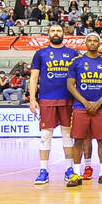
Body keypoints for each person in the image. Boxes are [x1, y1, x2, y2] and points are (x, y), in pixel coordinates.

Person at [29, 23, 80, 186]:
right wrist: (32, 98)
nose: (56, 33)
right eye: (53, 31)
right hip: (47, 99)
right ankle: (43, 170)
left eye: (59, 31)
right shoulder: (40, 54)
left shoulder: (73, 53)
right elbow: (34, 78)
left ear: (64, 33)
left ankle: (69, 169)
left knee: (67, 135)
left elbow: (79, 78)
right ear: (48, 34)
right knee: (45, 135)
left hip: (68, 99)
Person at [66, 33, 102, 186]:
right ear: (86, 43)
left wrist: (99, 102)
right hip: (81, 107)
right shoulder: (77, 62)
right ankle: (76, 174)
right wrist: (85, 102)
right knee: (78, 140)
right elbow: (70, 85)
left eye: (96, 41)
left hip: (100, 108)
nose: (93, 43)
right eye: (91, 40)